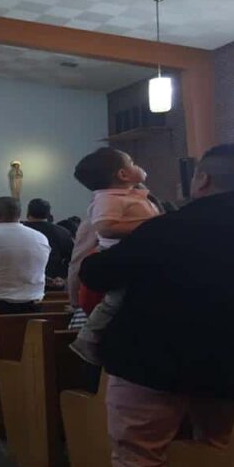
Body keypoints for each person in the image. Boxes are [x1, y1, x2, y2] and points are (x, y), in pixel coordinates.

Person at [79, 144, 234, 467]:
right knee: (221, 452)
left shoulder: (164, 229)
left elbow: (99, 276)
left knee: (138, 462)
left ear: (202, 180)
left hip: (151, 365)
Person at [69, 148, 161, 365]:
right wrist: (152, 226)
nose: (138, 165)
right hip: (120, 258)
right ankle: (87, 337)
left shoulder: (132, 196)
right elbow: (106, 228)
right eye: (132, 162)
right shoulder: (108, 198)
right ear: (122, 175)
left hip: (141, 257)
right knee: (116, 299)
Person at [22, 198, 74, 281]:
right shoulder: (62, 232)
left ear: (28, 213)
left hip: (22, 279)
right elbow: (72, 257)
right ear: (48, 214)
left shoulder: (19, 231)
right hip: (53, 279)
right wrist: (62, 275)